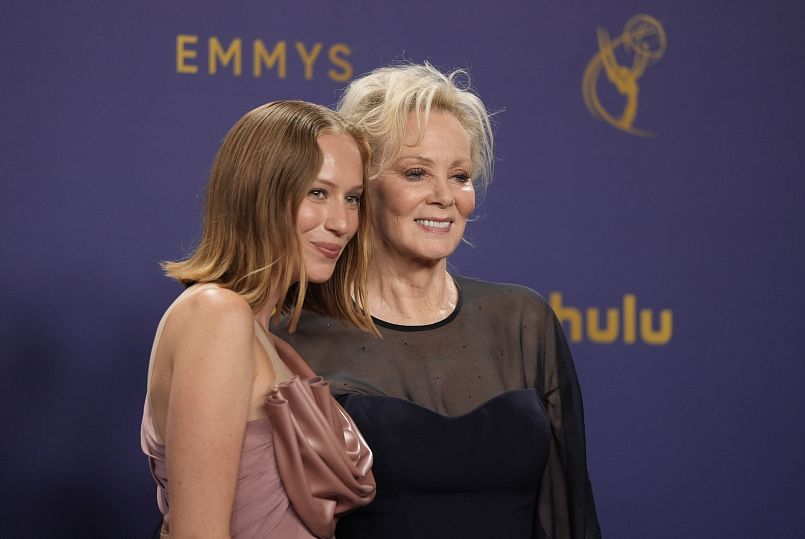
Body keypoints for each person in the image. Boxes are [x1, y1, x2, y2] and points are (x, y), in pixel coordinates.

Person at [275, 64, 602, 538]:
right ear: (363, 188)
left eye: (460, 175)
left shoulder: (523, 322)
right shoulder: (294, 337)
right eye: (416, 173)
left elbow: (568, 515)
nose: (445, 197)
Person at [140, 100, 377, 538]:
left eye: (353, 199)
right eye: (317, 193)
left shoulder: (266, 333)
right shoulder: (216, 315)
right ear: (260, 192)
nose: (342, 222)